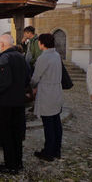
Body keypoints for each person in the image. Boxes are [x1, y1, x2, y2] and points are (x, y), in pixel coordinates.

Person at [0, 34, 29, 175]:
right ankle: (18, 162)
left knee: (7, 134)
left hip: (7, 102)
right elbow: (28, 78)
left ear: (2, 45)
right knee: (17, 133)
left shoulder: (5, 57)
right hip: (19, 101)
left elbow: (4, 81)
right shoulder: (21, 57)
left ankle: (10, 165)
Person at [31, 33, 63, 162]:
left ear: (42, 43)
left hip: (47, 92)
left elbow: (36, 76)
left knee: (48, 124)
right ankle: (56, 150)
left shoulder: (43, 58)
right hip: (56, 91)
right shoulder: (56, 55)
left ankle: (48, 152)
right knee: (56, 122)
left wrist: (31, 86)